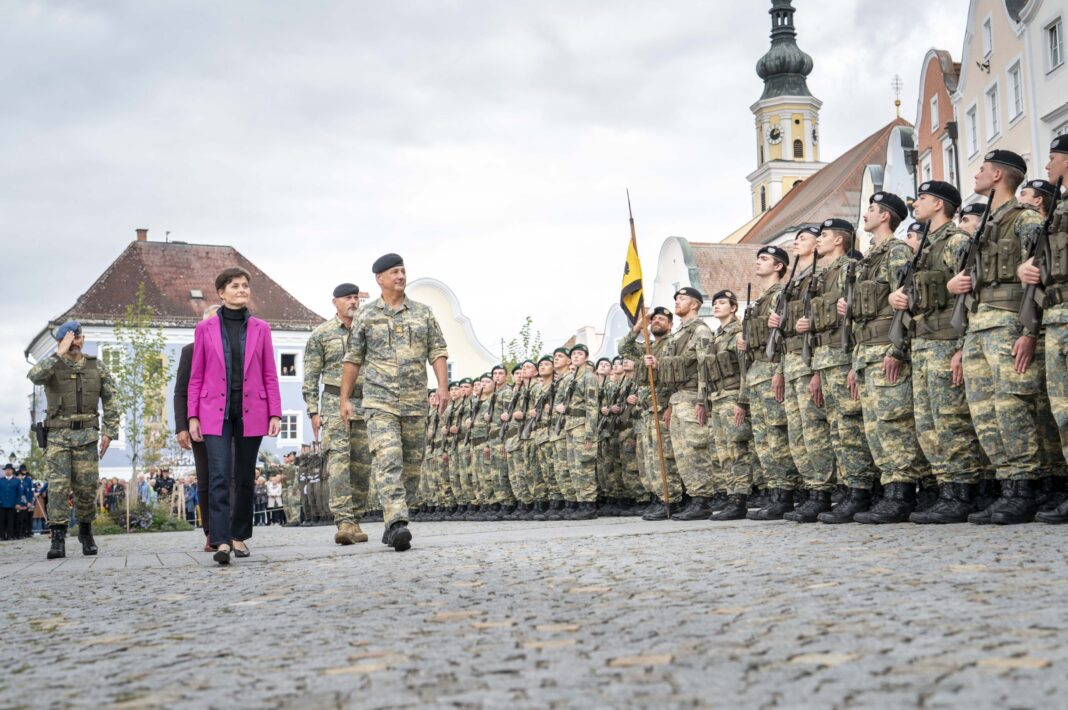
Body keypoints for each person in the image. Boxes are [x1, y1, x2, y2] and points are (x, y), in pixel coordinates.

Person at [947, 150, 1045, 524]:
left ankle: (1025, 489)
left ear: (999, 174)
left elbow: (1042, 274)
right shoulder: (985, 224)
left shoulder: (1025, 218)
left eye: (983, 169)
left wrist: (1029, 331)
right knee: (985, 413)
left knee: (1012, 409)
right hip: (977, 327)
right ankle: (1006, 485)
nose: (977, 173)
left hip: (1007, 324)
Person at [889, 181, 987, 523]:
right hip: (923, 343)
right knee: (929, 425)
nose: (917, 203)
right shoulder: (925, 247)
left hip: (946, 341)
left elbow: (970, 296)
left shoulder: (956, 241)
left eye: (925, 199)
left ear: (941, 205)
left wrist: (962, 347)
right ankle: (946, 489)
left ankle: (963, 493)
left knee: (951, 421)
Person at [340, 253, 449, 552]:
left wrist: (442, 386)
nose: (400, 276)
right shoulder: (365, 315)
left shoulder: (423, 312)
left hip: (415, 401)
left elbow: (437, 350)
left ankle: (394, 521)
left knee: (412, 467)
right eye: (394, 272)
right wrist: (345, 398)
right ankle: (397, 522)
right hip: (379, 402)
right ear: (380, 279)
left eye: (402, 271)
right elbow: (353, 359)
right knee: (388, 459)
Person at [188, 266, 282, 565]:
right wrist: (192, 416)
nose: (242, 290)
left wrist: (275, 412)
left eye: (245, 286)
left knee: (243, 476)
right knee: (218, 474)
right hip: (213, 412)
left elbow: (270, 373)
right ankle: (221, 541)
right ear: (221, 292)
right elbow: (196, 375)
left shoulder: (261, 329)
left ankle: (239, 536)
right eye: (235, 286)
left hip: (252, 411)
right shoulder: (204, 329)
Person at [848, 191, 930, 523]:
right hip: (866, 352)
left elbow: (905, 301)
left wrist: (898, 348)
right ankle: (891, 491)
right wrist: (855, 362)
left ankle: (902, 494)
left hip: (886, 349)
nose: (865, 214)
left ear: (885, 217)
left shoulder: (896, 252)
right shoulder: (869, 257)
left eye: (871, 209)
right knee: (876, 427)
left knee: (893, 424)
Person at [27, 321, 118, 558]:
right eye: (67, 339)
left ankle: (86, 533)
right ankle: (57, 539)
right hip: (57, 437)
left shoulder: (96, 366)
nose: (74, 343)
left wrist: (110, 431)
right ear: (60, 342)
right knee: (57, 488)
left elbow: (111, 399)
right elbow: (34, 376)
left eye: (77, 338)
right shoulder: (51, 366)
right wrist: (58, 353)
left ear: (82, 339)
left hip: (87, 437)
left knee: (86, 489)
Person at [1020, 136, 1068, 523]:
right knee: (1063, 411)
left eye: (1053, 158)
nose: (1047, 166)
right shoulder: (1058, 213)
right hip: (1055, 318)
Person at [303, 283, 372, 545]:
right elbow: (310, 375)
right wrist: (313, 411)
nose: (353, 302)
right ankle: (344, 521)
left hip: (365, 403)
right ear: (335, 302)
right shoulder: (322, 334)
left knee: (362, 465)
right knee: (339, 463)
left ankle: (356, 519)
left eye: (356, 297)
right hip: (333, 404)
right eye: (348, 298)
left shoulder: (367, 331)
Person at [740, 245, 802, 520]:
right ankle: (775, 491)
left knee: (778, 435)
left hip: (772, 371)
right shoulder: (760, 300)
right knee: (764, 440)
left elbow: (785, 339)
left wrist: (779, 370)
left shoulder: (781, 294)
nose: (758, 263)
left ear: (778, 266)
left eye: (764, 259)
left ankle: (787, 493)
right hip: (756, 373)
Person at [647, 287, 716, 520]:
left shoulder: (701, 331)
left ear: (695, 304)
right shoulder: (678, 334)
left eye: (682, 298)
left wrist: (702, 400)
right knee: (682, 454)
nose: (677, 301)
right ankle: (693, 498)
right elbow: (670, 372)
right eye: (675, 298)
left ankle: (703, 500)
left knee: (695, 450)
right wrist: (668, 405)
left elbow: (706, 367)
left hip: (692, 396)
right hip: (677, 400)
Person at [704, 290, 753, 520]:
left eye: (722, 302)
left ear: (733, 308)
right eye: (714, 303)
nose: (716, 306)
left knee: (736, 449)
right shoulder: (716, 336)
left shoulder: (738, 333)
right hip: (717, 398)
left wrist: (742, 401)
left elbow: (745, 369)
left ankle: (740, 499)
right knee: (723, 452)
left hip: (733, 396)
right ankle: (731, 493)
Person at [175, 305, 218, 550]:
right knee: (206, 478)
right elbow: (181, 390)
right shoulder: (190, 351)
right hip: (200, 425)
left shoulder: (236, 348)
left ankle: (232, 530)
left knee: (232, 477)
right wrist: (182, 426)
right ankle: (212, 532)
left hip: (232, 422)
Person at [0, 464, 18, 540]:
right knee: (1, 521)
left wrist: (18, 503)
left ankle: (10, 535)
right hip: (1, 503)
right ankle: (1, 536)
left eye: (9, 470)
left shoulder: (16, 481)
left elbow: (19, 493)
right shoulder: (1, 480)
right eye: (6, 470)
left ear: (12, 471)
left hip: (12, 504)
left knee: (11, 521)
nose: (8, 471)